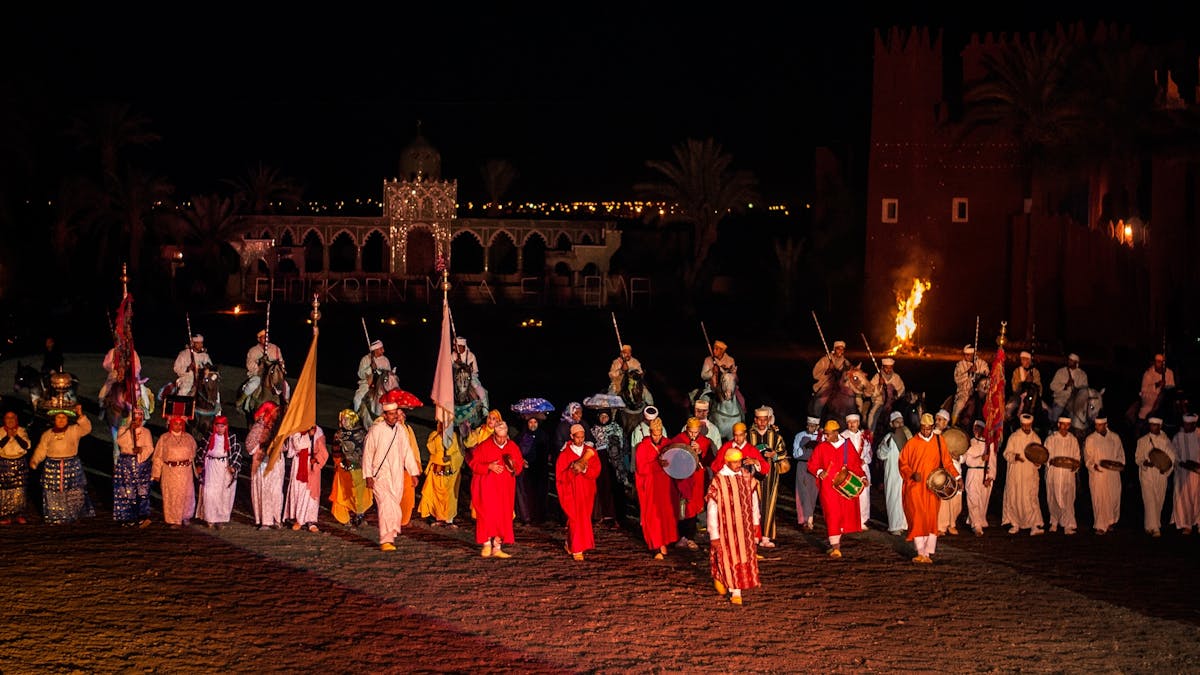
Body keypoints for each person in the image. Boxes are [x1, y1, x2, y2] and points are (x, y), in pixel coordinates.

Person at [363, 394, 422, 551]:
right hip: (379, 474)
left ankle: (390, 535)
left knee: (394, 504)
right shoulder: (375, 430)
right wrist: (368, 475)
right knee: (385, 505)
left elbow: (407, 453)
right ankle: (386, 540)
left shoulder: (401, 431)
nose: (395, 416)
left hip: (396, 474)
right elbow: (368, 453)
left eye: (396, 413)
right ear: (384, 415)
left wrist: (413, 473)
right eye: (391, 413)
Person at [899, 413, 958, 563]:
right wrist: (912, 475)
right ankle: (920, 552)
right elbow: (902, 463)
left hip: (933, 488)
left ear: (933, 427)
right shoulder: (912, 443)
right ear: (920, 427)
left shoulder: (939, 441)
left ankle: (927, 553)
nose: (926, 431)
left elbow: (947, 462)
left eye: (928, 428)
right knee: (918, 518)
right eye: (923, 428)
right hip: (916, 487)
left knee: (931, 519)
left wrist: (957, 477)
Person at [706, 447, 761, 606]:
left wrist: (756, 522)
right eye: (735, 462)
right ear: (727, 462)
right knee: (726, 557)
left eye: (739, 461)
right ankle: (732, 588)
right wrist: (714, 534)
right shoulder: (718, 481)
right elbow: (712, 508)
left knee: (743, 558)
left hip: (745, 530)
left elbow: (754, 500)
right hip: (726, 530)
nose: (738, 465)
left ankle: (736, 588)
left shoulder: (746, 477)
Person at [808, 419, 865, 558]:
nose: (825, 437)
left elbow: (855, 464)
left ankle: (835, 542)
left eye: (828, 434)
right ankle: (836, 547)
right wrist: (819, 472)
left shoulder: (847, 445)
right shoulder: (821, 447)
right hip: (828, 487)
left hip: (843, 486)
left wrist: (862, 477)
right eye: (825, 434)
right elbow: (811, 465)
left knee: (843, 515)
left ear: (836, 433)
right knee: (832, 514)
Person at [29, 405, 94, 524]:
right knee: (53, 492)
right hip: (52, 466)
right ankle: (56, 516)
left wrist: (80, 414)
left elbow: (87, 428)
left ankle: (73, 514)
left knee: (74, 491)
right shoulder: (47, 434)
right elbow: (41, 449)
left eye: (63, 417)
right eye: (58, 418)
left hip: (71, 465)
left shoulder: (74, 430)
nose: (61, 420)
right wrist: (35, 460)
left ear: (67, 419)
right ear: (54, 420)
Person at [469, 419, 523, 558]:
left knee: (503, 516)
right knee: (486, 515)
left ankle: (497, 546)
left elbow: (519, 466)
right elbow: (474, 464)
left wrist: (513, 467)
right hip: (488, 488)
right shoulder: (484, 446)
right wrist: (488, 466)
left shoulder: (512, 446)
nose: (501, 440)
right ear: (494, 434)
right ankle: (486, 544)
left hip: (505, 490)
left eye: (504, 437)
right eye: (499, 437)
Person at [556, 423, 602, 561]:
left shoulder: (589, 451)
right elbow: (560, 477)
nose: (580, 440)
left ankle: (570, 543)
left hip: (586, 491)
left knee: (583, 518)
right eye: (578, 437)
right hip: (570, 492)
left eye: (582, 437)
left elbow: (597, 470)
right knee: (575, 518)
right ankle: (577, 549)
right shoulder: (565, 455)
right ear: (572, 437)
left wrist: (585, 470)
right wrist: (572, 471)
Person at [635, 417, 678, 559]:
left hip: (665, 486)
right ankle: (656, 545)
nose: (657, 437)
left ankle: (664, 542)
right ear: (650, 432)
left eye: (659, 434)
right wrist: (657, 464)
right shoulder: (643, 447)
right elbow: (641, 468)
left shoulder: (668, 444)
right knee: (653, 516)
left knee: (665, 515)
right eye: (654, 434)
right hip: (650, 487)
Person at [668, 417, 714, 551]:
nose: (693, 435)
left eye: (696, 432)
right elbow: (671, 457)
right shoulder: (678, 439)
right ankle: (680, 536)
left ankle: (690, 537)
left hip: (697, 479)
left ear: (699, 430)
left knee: (693, 507)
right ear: (686, 429)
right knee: (681, 506)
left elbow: (710, 460)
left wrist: (700, 452)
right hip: (681, 478)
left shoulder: (704, 441)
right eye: (691, 432)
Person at [151, 415, 198, 528]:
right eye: (175, 423)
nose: (178, 426)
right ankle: (174, 519)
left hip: (185, 472)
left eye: (180, 423)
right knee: (172, 495)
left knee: (187, 494)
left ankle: (185, 516)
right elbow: (158, 457)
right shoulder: (164, 438)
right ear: (170, 424)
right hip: (170, 472)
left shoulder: (189, 438)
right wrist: (156, 474)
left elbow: (194, 453)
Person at [1001, 413, 1044, 536]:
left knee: (1031, 499)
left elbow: (1040, 456)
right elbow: (1006, 454)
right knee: (1015, 498)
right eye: (1024, 425)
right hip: (1016, 474)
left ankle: (1034, 526)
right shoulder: (1014, 437)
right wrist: (1015, 457)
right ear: (1021, 424)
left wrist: (1037, 463)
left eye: (1028, 425)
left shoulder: (1036, 439)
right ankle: (1015, 524)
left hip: (1030, 475)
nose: (1026, 427)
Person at [194, 415, 239, 530]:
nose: (220, 429)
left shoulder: (231, 438)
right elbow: (201, 451)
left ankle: (220, 519)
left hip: (224, 467)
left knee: (223, 494)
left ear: (226, 427)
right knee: (210, 492)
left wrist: (233, 466)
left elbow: (236, 453)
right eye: (218, 426)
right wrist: (199, 464)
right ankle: (210, 518)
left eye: (222, 426)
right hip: (211, 466)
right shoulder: (209, 437)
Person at [329, 409, 372, 528]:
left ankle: (359, 514)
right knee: (344, 492)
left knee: (359, 492)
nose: (342, 422)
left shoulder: (362, 432)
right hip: (345, 468)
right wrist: (340, 464)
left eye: (345, 419)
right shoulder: (339, 434)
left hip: (360, 467)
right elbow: (336, 452)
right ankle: (346, 516)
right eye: (342, 419)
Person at [112, 407, 155, 528]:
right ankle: (127, 516)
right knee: (126, 490)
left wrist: (141, 451)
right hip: (126, 463)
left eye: (140, 418)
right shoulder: (123, 430)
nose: (138, 420)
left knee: (142, 490)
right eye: (136, 418)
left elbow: (150, 447)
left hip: (141, 464)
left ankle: (142, 516)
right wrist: (131, 431)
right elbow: (121, 442)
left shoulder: (146, 432)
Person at [1135, 417, 1177, 537]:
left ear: (1160, 426)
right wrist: (1145, 463)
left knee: (1159, 500)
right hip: (1147, 474)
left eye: (1155, 425)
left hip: (1161, 474)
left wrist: (1166, 469)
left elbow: (1172, 459)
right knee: (1149, 500)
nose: (1152, 427)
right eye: (1151, 425)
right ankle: (1155, 528)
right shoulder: (1142, 441)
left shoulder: (1167, 441)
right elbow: (1138, 458)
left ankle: (1150, 525)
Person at [283, 425, 329, 533]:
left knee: (310, 494)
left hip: (312, 464)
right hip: (299, 463)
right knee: (298, 491)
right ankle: (299, 519)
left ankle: (310, 521)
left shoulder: (318, 430)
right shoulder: (296, 429)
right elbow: (297, 445)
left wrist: (316, 460)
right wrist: (308, 435)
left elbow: (323, 451)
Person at [419, 421, 465, 527]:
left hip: (451, 472)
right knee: (435, 495)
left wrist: (451, 458)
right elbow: (431, 449)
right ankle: (437, 516)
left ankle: (449, 519)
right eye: (441, 424)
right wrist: (439, 435)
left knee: (449, 496)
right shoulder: (434, 435)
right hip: (436, 470)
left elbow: (460, 453)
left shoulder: (455, 436)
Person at [247, 401, 284, 530]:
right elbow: (250, 444)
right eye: (275, 412)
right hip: (261, 463)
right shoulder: (259, 426)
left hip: (276, 462)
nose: (277, 414)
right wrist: (261, 450)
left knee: (276, 491)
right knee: (264, 491)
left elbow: (284, 445)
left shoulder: (279, 427)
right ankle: (265, 521)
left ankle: (276, 518)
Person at [1083, 415, 1124, 535]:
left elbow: (1121, 454)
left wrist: (1119, 465)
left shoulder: (1115, 438)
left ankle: (1110, 522)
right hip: (1098, 475)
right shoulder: (1090, 439)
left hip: (1112, 474)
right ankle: (1100, 525)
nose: (1097, 427)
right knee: (1099, 499)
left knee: (1113, 498)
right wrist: (1092, 465)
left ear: (1106, 425)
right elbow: (1087, 457)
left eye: (1099, 425)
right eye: (1096, 425)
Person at [590, 407, 628, 528]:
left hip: (614, 460)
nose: (603, 418)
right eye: (601, 416)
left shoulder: (616, 428)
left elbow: (622, 444)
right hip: (600, 458)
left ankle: (618, 517)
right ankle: (604, 514)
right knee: (602, 486)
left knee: (615, 487)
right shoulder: (594, 429)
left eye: (606, 416)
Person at [875, 411, 911, 535]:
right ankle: (895, 526)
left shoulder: (908, 437)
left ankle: (905, 524)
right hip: (893, 473)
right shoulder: (889, 437)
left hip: (905, 473)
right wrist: (886, 446)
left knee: (905, 498)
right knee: (893, 498)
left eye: (901, 422)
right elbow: (881, 455)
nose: (900, 424)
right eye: (897, 422)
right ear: (891, 424)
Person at [1044, 416, 1081, 535]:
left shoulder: (1073, 440)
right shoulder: (1051, 439)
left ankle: (1068, 525)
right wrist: (1050, 461)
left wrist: (1076, 466)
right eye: (1062, 424)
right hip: (1054, 473)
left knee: (1068, 499)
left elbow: (1077, 457)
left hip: (1067, 475)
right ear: (1058, 424)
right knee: (1053, 498)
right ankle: (1054, 522)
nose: (1065, 427)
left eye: (1067, 425)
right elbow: (1045, 455)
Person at [961, 419, 997, 536]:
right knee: (973, 499)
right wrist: (980, 459)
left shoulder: (989, 443)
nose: (976, 430)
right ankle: (976, 526)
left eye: (979, 428)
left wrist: (990, 477)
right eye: (975, 428)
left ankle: (978, 520)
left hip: (984, 474)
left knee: (982, 501)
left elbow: (992, 461)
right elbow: (968, 461)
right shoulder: (969, 443)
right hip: (972, 474)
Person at [512, 413, 548, 525]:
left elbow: (545, 453)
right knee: (524, 493)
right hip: (524, 469)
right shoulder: (521, 436)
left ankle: (539, 517)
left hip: (538, 469)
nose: (533, 425)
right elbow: (515, 450)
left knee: (538, 493)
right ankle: (526, 517)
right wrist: (521, 460)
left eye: (535, 422)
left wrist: (534, 462)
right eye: (530, 422)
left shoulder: (543, 435)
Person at [933, 410, 963, 535]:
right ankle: (941, 526)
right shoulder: (933, 435)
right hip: (941, 471)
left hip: (955, 470)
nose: (939, 422)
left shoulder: (954, 434)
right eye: (937, 419)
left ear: (947, 421)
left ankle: (952, 524)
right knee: (943, 500)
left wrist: (958, 457)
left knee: (956, 500)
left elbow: (963, 452)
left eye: (942, 419)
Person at [0, 410, 33, 525]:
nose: (10, 420)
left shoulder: (21, 430)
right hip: (4, 463)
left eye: (12, 418)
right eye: (7, 418)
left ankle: (19, 514)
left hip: (19, 462)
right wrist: (7, 437)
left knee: (19, 490)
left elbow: (26, 445)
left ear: (16, 419)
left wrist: (16, 436)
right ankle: (5, 515)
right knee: (5, 491)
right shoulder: (0, 431)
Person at [842, 412, 873, 530]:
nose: (852, 424)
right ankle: (847, 521)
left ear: (858, 423)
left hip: (863, 468)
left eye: (854, 422)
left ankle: (862, 521)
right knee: (848, 494)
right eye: (849, 422)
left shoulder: (864, 437)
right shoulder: (843, 436)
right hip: (849, 469)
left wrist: (864, 460)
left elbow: (869, 453)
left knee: (863, 495)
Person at [1170, 413, 1200, 534]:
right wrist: (1181, 463)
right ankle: (1186, 524)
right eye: (1185, 424)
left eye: (1189, 425)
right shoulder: (1178, 437)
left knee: (1198, 499)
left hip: (1198, 474)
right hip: (1182, 474)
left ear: (1194, 424)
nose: (1186, 427)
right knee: (1184, 499)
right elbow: (1173, 453)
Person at [791, 416, 822, 532]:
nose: (811, 428)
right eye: (809, 425)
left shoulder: (821, 437)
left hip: (815, 467)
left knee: (813, 492)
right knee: (802, 491)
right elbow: (795, 454)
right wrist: (804, 447)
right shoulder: (799, 436)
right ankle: (803, 519)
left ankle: (809, 518)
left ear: (817, 427)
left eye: (813, 426)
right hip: (802, 465)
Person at [353, 339, 396, 414]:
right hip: (367, 384)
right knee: (357, 398)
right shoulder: (366, 359)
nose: (383, 351)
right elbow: (360, 375)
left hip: (381, 386)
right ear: (375, 350)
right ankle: (357, 418)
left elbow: (388, 375)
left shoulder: (385, 360)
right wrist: (370, 368)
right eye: (381, 349)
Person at [951, 345, 989, 426]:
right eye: (965, 354)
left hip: (980, 392)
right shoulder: (960, 365)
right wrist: (968, 372)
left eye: (968, 355)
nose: (966, 356)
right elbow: (957, 380)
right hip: (964, 391)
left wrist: (979, 374)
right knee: (959, 404)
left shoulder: (982, 364)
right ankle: (953, 424)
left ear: (974, 354)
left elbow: (987, 377)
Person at [242, 329, 285, 398]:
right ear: (259, 339)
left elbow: (281, 361)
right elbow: (250, 364)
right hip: (258, 375)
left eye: (267, 337)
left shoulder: (276, 349)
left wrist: (281, 369)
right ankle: (242, 399)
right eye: (264, 337)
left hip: (273, 376)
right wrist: (260, 367)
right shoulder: (253, 350)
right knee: (253, 384)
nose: (266, 339)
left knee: (286, 386)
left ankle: (286, 404)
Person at [868, 357, 906, 432]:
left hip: (892, 402)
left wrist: (896, 396)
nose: (888, 370)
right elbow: (870, 391)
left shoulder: (896, 377)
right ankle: (870, 432)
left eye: (890, 368)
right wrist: (879, 385)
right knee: (873, 414)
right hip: (880, 402)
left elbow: (902, 389)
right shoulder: (877, 376)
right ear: (882, 367)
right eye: (886, 368)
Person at [700, 339, 741, 409]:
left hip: (728, 388)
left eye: (716, 349)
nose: (714, 351)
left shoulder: (730, 360)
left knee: (741, 401)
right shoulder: (708, 360)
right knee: (703, 403)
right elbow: (703, 376)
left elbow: (734, 378)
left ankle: (741, 417)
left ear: (722, 350)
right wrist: (712, 371)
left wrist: (733, 373)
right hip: (712, 388)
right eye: (713, 348)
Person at [1137, 353, 1176, 424]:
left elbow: (1172, 389)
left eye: (1161, 362)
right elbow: (1143, 392)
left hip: (1164, 407)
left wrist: (1165, 388)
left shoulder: (1169, 373)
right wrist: (1156, 385)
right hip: (1148, 406)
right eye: (1157, 361)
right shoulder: (1148, 374)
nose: (1159, 364)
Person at [1048, 354, 1088, 421]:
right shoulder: (1061, 372)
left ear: (1076, 362)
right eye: (1069, 360)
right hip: (1060, 401)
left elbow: (1085, 390)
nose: (1069, 361)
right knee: (1055, 421)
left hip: (1074, 405)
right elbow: (1052, 386)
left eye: (1071, 360)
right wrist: (1065, 385)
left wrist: (1076, 388)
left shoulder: (1082, 374)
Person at [453, 337, 489, 408]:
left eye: (458, 347)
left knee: (476, 386)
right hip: (456, 376)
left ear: (463, 346)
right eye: (456, 346)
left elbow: (474, 370)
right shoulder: (453, 355)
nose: (456, 348)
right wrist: (455, 364)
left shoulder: (471, 355)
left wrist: (464, 365)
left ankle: (484, 406)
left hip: (470, 375)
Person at [1007, 351, 1043, 419]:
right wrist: (1024, 382)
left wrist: (1033, 382)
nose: (1023, 361)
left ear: (1029, 360)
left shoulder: (1035, 372)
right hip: (1018, 396)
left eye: (1025, 359)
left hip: (1033, 397)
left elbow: (1039, 386)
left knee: (1045, 409)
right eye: (1022, 359)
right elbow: (1014, 387)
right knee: (1009, 409)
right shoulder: (1017, 371)